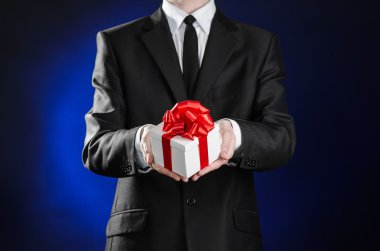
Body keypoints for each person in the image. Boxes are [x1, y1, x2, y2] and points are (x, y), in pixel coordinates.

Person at [81, 0, 296, 250]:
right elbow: (96, 147)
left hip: (226, 237)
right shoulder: (117, 42)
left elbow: (281, 138)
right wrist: (142, 142)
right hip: (142, 240)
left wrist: (234, 136)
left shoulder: (258, 44)